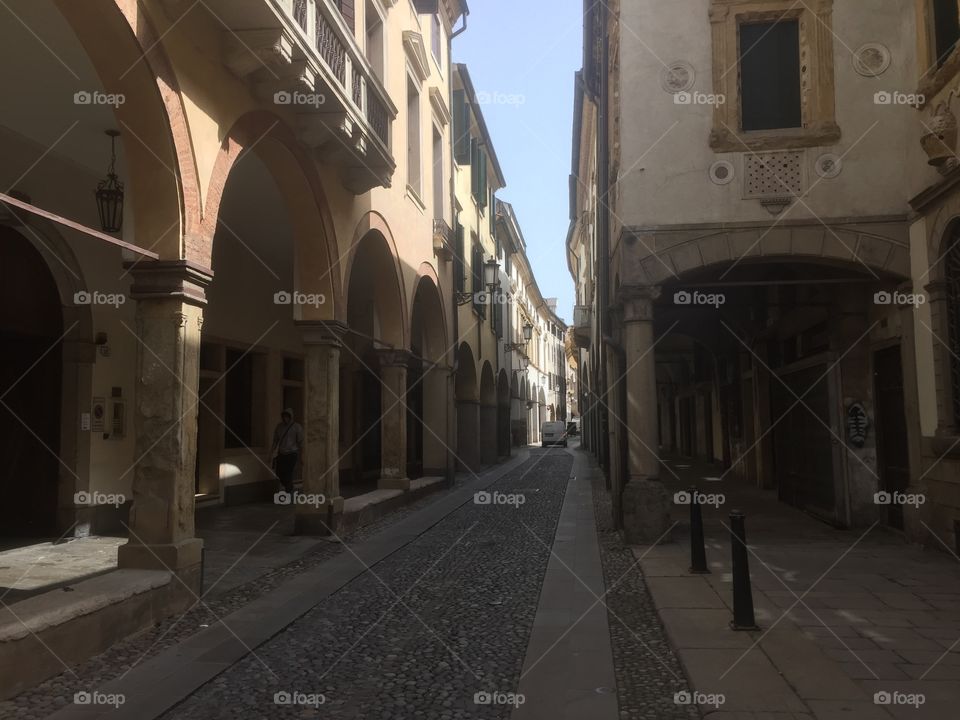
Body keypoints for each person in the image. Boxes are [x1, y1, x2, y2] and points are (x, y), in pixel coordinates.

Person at [270, 408, 303, 494]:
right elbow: (275, 441)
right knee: (279, 472)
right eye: (284, 417)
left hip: (292, 453)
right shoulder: (279, 426)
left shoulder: (297, 427)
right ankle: (290, 488)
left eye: (287, 417)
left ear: (290, 417)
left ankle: (289, 491)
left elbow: (300, 442)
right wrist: (271, 453)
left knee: (288, 473)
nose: (285, 418)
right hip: (282, 453)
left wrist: (302, 456)